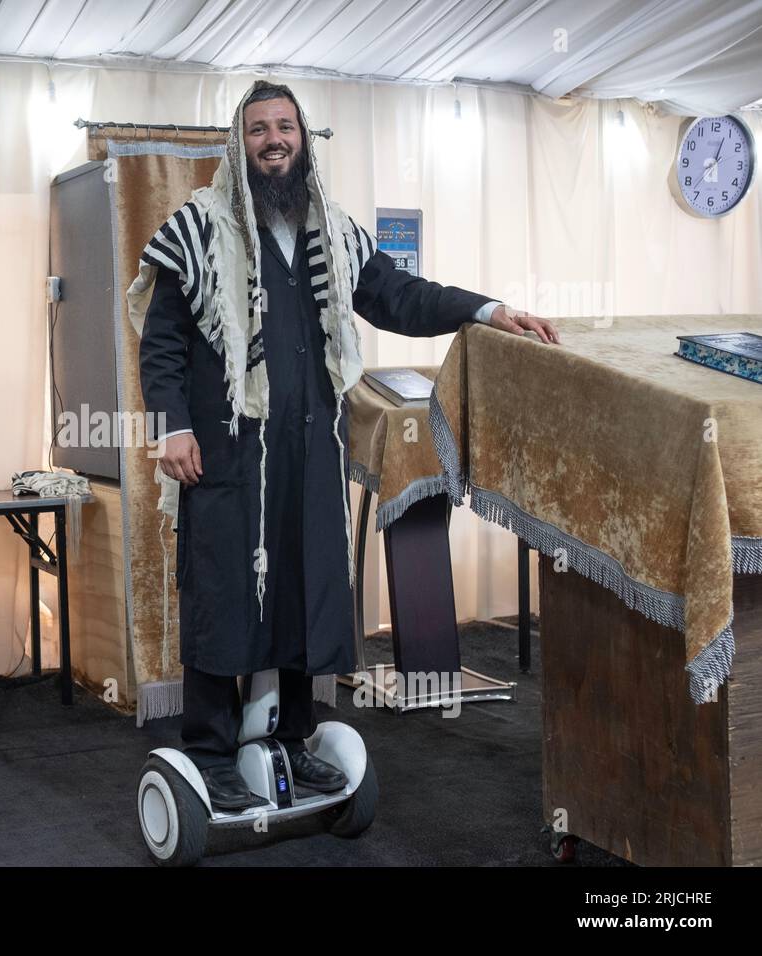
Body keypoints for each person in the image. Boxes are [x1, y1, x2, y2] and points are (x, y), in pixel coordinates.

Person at [128, 80, 561, 811]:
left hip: (310, 454)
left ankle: (290, 741)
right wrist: (170, 426)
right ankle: (211, 750)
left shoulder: (334, 228)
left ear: (303, 139)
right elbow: (162, 340)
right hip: (230, 454)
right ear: (241, 142)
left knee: (303, 591)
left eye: (286, 127)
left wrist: (486, 311)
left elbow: (401, 295)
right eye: (260, 128)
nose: (274, 139)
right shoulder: (199, 228)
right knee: (224, 596)